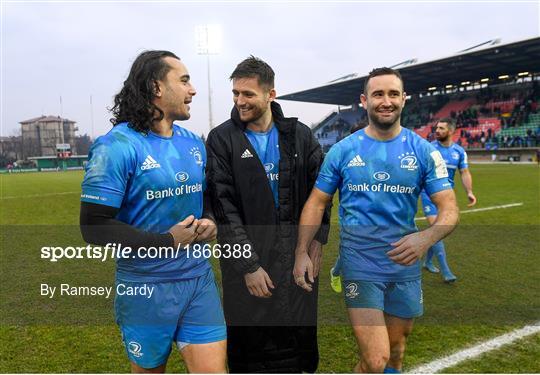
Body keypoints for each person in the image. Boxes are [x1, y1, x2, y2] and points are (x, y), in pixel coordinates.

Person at [293, 67, 459, 373]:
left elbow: (449, 209)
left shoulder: (423, 151)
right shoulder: (343, 151)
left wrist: (426, 238)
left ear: (404, 99)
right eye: (378, 94)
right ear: (364, 100)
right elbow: (317, 203)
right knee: (377, 357)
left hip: (404, 262)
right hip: (360, 262)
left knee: (394, 352)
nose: (386, 101)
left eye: (393, 94)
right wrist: (302, 250)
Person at [79, 50, 226, 373]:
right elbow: (93, 226)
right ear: (156, 87)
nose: (193, 90)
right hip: (145, 288)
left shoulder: (193, 144)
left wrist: (211, 222)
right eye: (184, 80)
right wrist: (166, 241)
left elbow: (208, 201)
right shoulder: (116, 146)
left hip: (197, 281)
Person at [206, 56, 330, 373]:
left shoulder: (299, 136)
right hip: (247, 266)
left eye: (248, 94)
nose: (239, 101)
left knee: (295, 349)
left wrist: (315, 245)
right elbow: (223, 208)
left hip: (296, 260)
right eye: (235, 93)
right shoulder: (222, 139)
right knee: (252, 350)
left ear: (270, 95)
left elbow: (322, 196)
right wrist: (248, 266)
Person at [421, 118, 477, 282]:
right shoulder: (429, 148)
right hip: (428, 194)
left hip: (447, 196)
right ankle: (446, 272)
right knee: (437, 228)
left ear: (451, 131)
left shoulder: (459, 152)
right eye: (436, 128)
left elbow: (464, 172)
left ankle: (428, 261)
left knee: (438, 232)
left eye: (441, 128)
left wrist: (470, 192)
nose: (437, 130)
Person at [330, 120, 365, 293]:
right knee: (351, 248)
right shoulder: (343, 156)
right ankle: (336, 273)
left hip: (372, 213)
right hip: (349, 213)